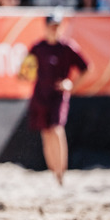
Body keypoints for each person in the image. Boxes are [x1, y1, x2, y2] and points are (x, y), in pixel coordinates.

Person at [18, 10, 89, 185]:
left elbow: (86, 68)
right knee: (46, 133)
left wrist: (71, 85)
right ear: (46, 27)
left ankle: (61, 172)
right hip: (41, 95)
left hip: (58, 96)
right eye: (51, 26)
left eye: (57, 26)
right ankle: (54, 173)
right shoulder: (38, 48)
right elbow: (23, 72)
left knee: (57, 130)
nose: (54, 29)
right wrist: (25, 74)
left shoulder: (67, 47)